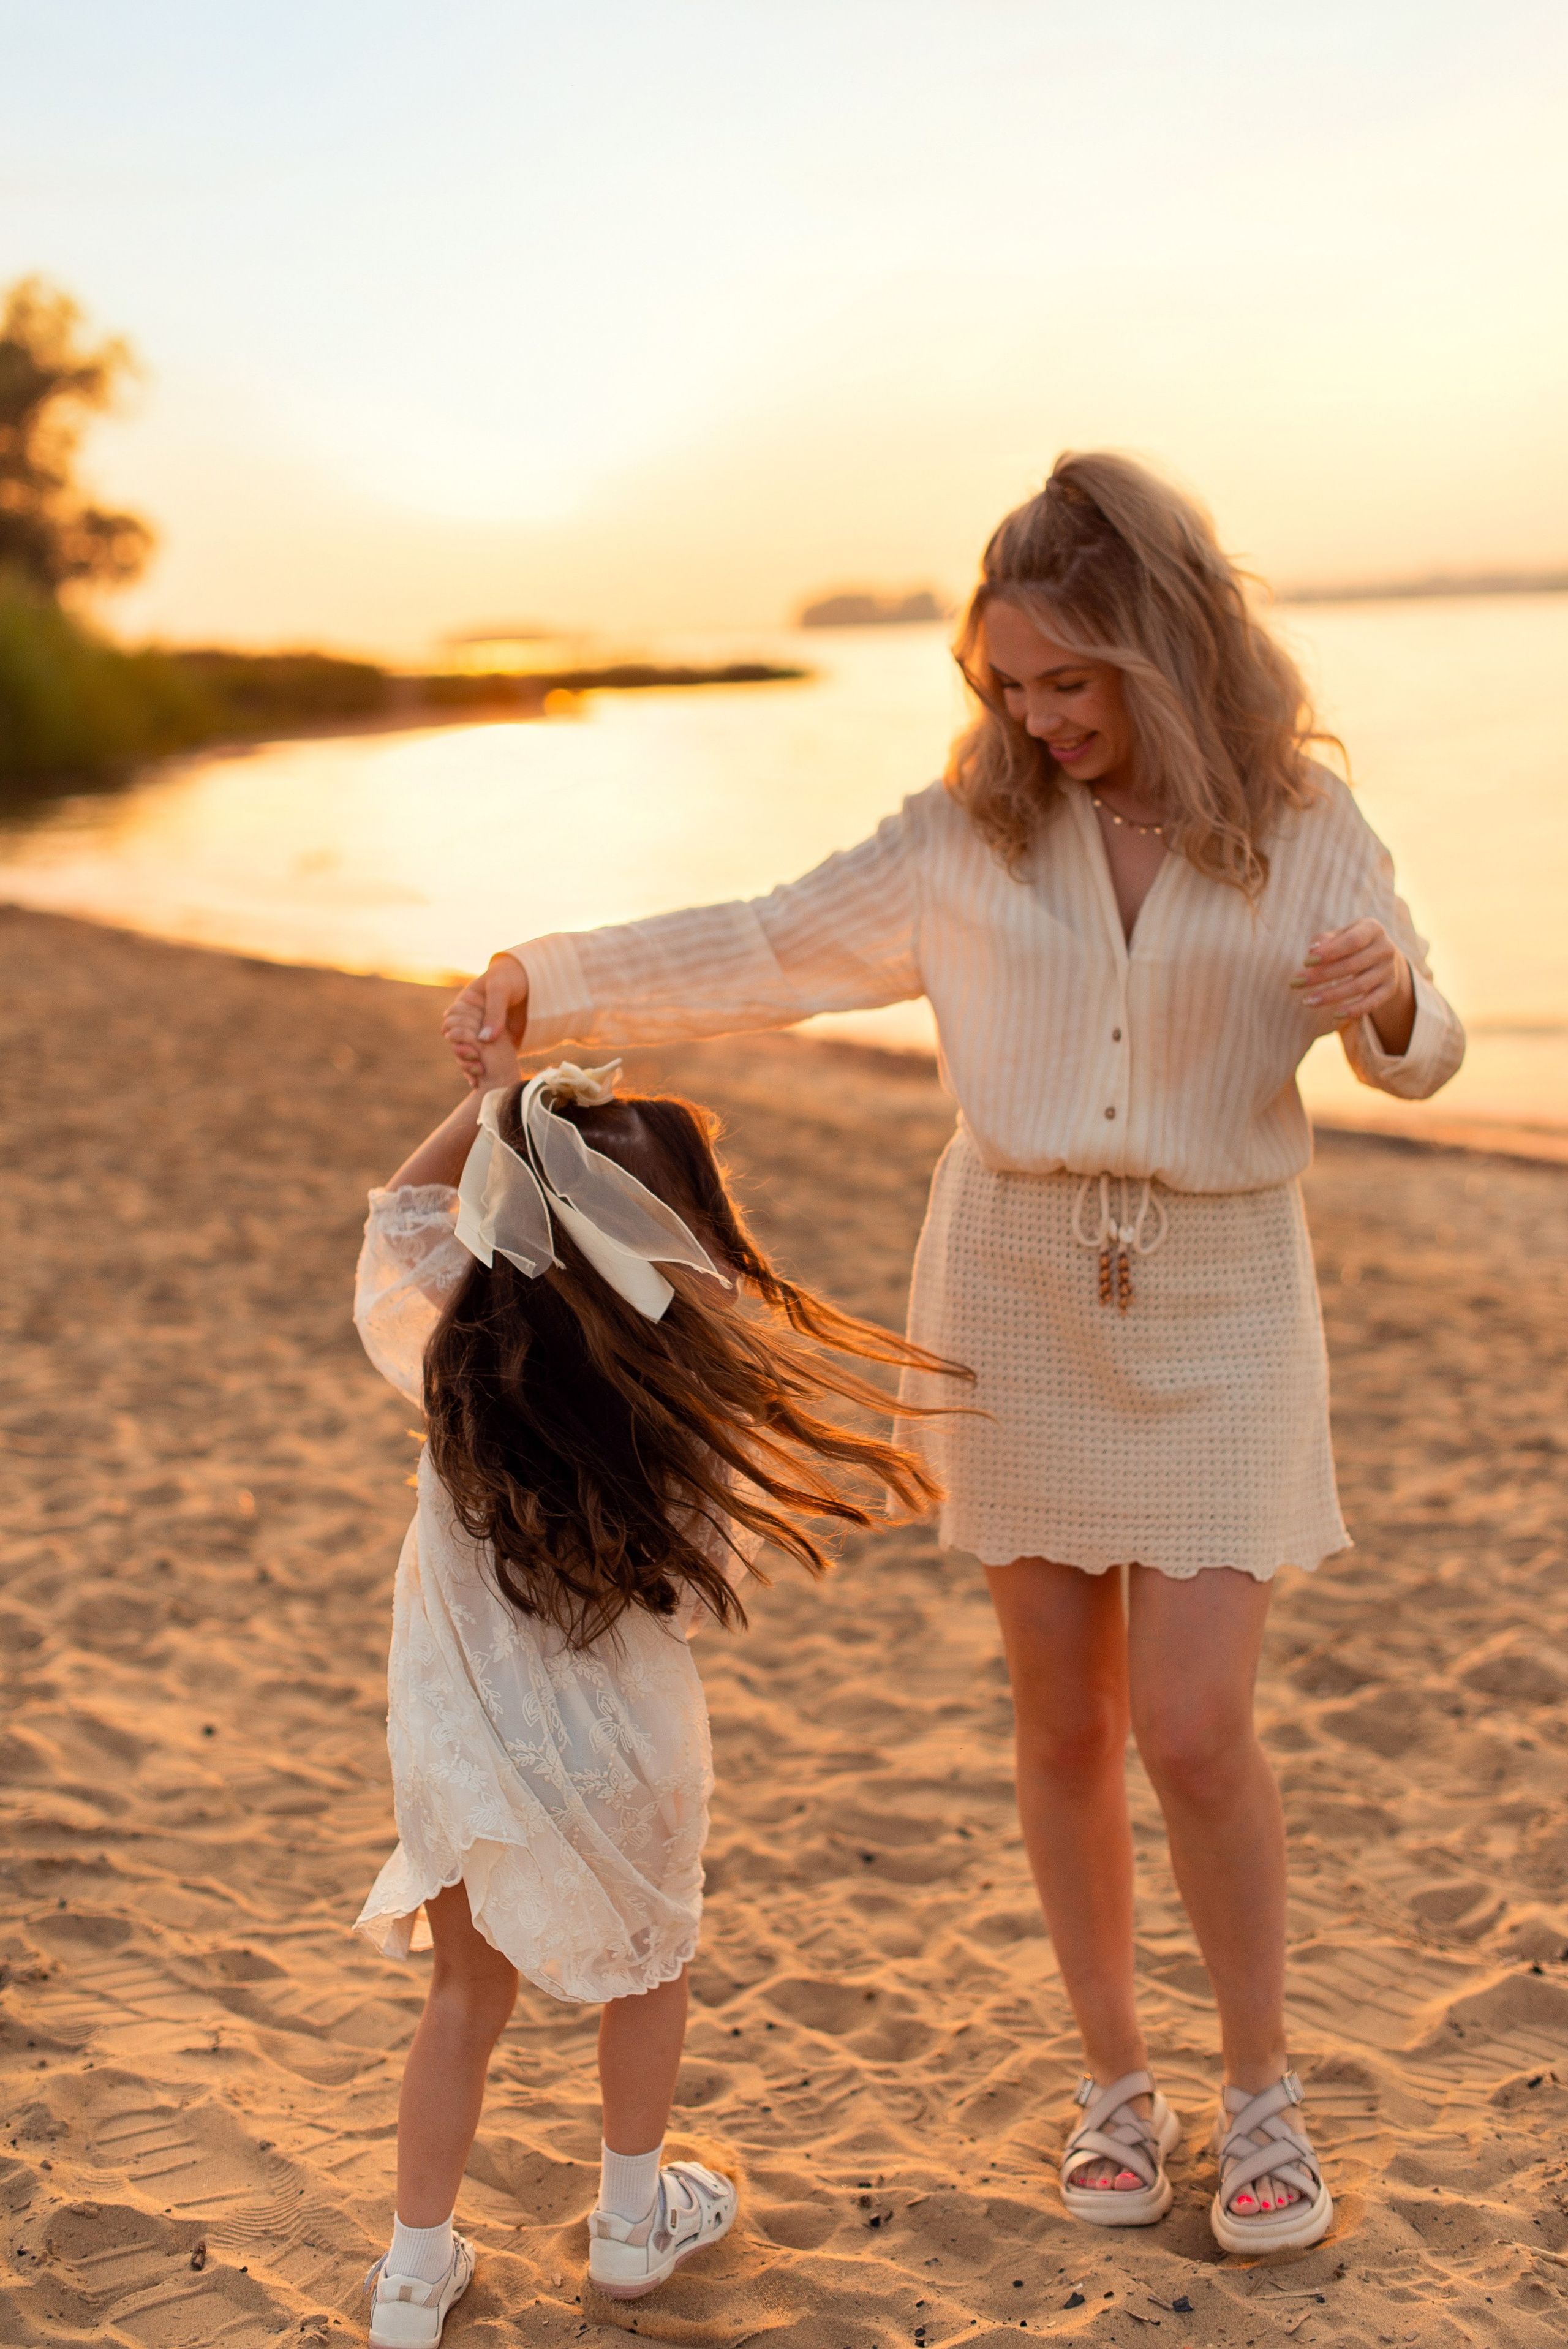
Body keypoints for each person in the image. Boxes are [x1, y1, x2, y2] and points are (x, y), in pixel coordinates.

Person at [441, 451, 1464, 2255]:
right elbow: (763, 943)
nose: (1041, 716)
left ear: (1168, 646)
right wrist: (553, 967)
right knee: (1062, 1720)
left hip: (1225, 1289)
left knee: (1198, 1724)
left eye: (1074, 680)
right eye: (1011, 685)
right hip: (1009, 1279)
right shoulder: (962, 836)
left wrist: (1387, 994)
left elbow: (1425, 1045)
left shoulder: (1302, 819)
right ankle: (1115, 2089)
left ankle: (1262, 2093)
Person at [353, 1031, 952, 2346]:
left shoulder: (454, 1360)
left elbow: (395, 1219)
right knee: (650, 1967)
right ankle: (631, 2221)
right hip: (628, 1741)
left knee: (463, 1996)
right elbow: (695, 1591)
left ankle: (410, 2273)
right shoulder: (685, 1411)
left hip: (467, 1734)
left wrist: (493, 1105)